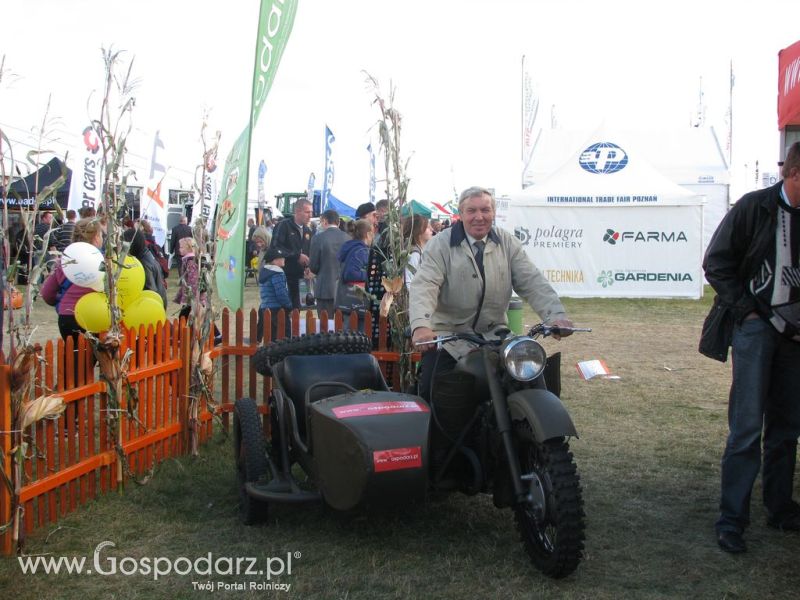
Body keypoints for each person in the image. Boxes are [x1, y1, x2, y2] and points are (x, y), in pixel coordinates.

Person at [701, 142, 800, 554]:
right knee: (745, 429)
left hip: (796, 336)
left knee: (787, 427)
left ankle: (779, 508)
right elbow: (716, 262)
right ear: (793, 174)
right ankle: (732, 521)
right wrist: (748, 312)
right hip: (756, 329)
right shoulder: (755, 207)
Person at [410, 186, 573, 403]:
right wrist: (422, 326)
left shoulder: (507, 242)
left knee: (535, 378)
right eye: (472, 211)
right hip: (450, 337)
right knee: (434, 391)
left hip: (496, 335)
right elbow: (425, 285)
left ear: (493, 212)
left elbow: (532, 280)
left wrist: (555, 315)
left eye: (485, 210)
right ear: (461, 214)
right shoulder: (440, 244)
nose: (479, 217)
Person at [41, 218, 104, 351]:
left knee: (75, 361)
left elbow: (47, 293)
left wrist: (61, 301)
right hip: (94, 316)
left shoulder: (65, 261)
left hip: (67, 317)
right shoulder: (103, 261)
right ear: (96, 237)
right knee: (89, 363)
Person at [268, 198, 313, 309]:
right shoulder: (283, 226)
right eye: (307, 212)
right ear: (297, 211)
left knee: (297, 310)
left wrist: (308, 267)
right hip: (284, 276)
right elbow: (275, 248)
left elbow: (307, 253)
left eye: (311, 212)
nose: (310, 215)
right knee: (284, 311)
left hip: (301, 278)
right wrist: (296, 256)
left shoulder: (308, 231)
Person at [308, 209, 349, 319]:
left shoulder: (318, 238)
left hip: (324, 288)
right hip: (344, 289)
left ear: (324, 221)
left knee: (325, 326)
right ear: (338, 222)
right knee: (342, 326)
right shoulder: (348, 238)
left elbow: (313, 267)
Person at [335, 219, 374, 329]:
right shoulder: (361, 251)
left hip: (347, 300)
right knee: (353, 336)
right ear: (367, 234)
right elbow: (350, 273)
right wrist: (369, 276)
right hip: (355, 301)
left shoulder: (352, 247)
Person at [122, 228, 167, 308]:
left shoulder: (143, 263)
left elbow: (150, 291)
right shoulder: (147, 254)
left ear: (133, 243)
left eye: (126, 244)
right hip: (160, 301)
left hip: (153, 307)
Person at [257, 246, 292, 342]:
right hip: (277, 309)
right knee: (285, 334)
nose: (284, 259)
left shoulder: (265, 272)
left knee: (270, 335)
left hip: (265, 308)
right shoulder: (277, 273)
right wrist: (288, 306)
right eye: (281, 258)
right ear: (274, 261)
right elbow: (281, 293)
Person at [402, 214, 433, 286]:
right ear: (418, 231)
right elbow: (407, 281)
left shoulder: (417, 250)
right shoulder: (414, 253)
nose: (432, 229)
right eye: (428, 227)